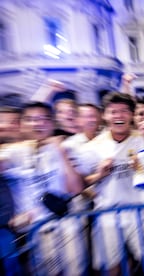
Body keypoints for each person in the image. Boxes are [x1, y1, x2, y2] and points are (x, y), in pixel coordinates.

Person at [77, 93, 144, 276]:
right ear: (104, 116)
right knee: (112, 269)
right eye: (113, 112)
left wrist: (143, 165)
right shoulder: (93, 147)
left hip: (140, 213)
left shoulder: (143, 139)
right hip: (107, 216)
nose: (119, 116)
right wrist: (99, 175)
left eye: (124, 111)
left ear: (131, 115)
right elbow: (80, 184)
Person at [0, 101, 86, 275]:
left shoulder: (64, 148)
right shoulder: (13, 151)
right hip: (35, 230)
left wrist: (60, 152)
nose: (37, 123)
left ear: (52, 122)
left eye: (43, 119)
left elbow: (76, 189)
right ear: (22, 124)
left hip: (67, 225)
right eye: (30, 119)